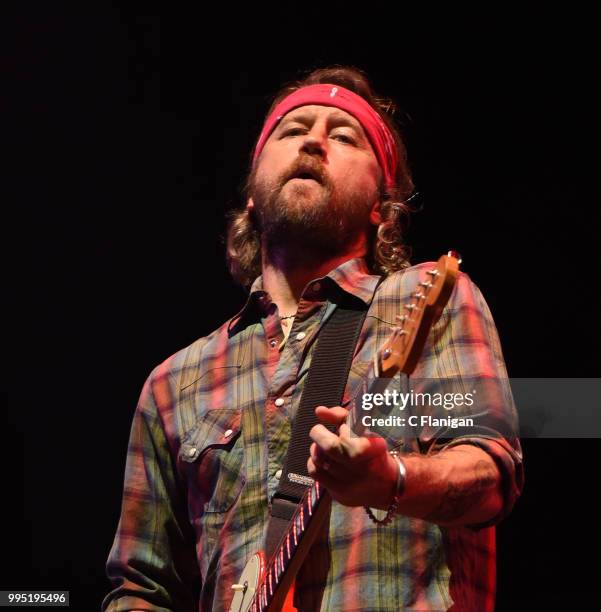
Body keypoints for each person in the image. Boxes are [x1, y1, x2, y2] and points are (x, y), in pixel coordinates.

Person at [102, 66, 524, 612]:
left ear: (382, 208)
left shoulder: (428, 300)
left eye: (344, 135)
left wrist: (389, 478)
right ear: (252, 194)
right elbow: (141, 587)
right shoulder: (172, 383)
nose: (313, 140)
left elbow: (491, 474)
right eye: (292, 129)